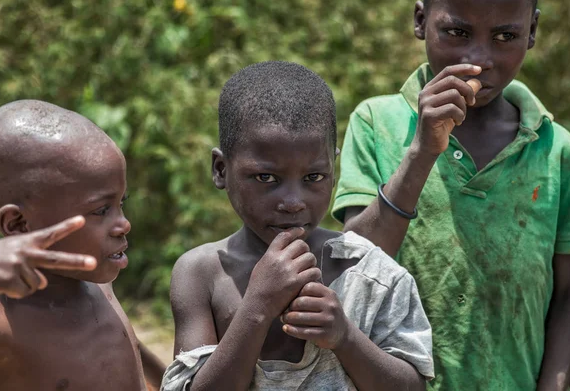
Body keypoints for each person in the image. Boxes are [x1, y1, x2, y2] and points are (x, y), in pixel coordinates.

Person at [333, 0, 570, 389]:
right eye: (457, 32)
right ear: (420, 22)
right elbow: (354, 268)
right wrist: (422, 151)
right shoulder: (377, 124)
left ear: (532, 30)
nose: (478, 60)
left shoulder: (556, 150)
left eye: (505, 37)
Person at [163, 61, 434, 391]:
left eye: (314, 177)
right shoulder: (201, 274)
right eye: (266, 178)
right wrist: (257, 308)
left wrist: (345, 337)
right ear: (221, 169)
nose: (293, 201)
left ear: (333, 170)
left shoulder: (372, 275)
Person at [0, 100, 165, 390]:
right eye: (101, 210)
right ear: (18, 224)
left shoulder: (99, 289)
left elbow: (128, 349)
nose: (123, 224)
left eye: (120, 204)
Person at [0, 215, 97, 297]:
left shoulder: (98, 281)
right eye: (102, 211)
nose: (116, 228)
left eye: (117, 205)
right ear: (19, 224)